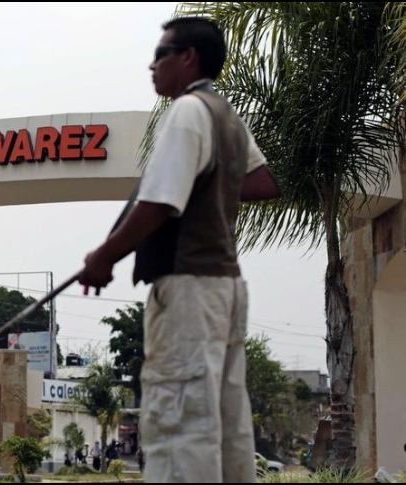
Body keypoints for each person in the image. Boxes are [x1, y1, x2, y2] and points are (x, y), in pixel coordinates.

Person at [79, 17, 280, 484]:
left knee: (181, 421)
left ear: (188, 57)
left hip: (188, 288)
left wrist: (103, 257)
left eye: (161, 53)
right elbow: (261, 182)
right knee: (226, 422)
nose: (152, 65)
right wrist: (208, 187)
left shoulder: (189, 111)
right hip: (225, 288)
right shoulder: (224, 114)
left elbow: (159, 203)